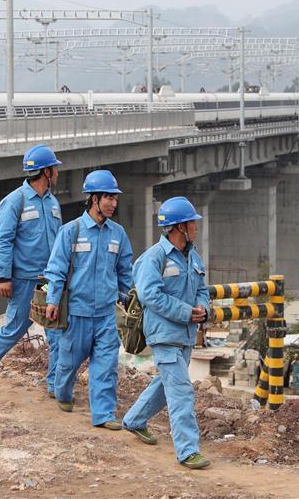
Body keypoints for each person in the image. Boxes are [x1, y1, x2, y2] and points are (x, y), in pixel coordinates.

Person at [121, 196, 212, 470]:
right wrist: (186, 312)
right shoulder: (153, 258)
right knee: (182, 391)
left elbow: (202, 290)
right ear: (179, 227)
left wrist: (203, 308)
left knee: (166, 383)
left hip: (185, 335)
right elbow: (150, 295)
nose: (196, 226)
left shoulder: (193, 257)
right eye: (192, 222)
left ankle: (134, 420)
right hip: (163, 335)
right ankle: (187, 451)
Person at [44, 170, 133, 429]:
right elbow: (56, 269)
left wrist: (128, 300)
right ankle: (62, 391)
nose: (113, 203)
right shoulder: (71, 231)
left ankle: (103, 414)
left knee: (106, 365)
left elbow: (125, 271)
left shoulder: (118, 234)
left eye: (115, 198)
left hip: (106, 314)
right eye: (109, 198)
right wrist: (52, 301)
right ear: (94, 199)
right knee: (69, 362)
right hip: (76, 312)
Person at [0, 144, 63, 394]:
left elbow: (60, 241)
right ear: (46, 172)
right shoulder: (15, 200)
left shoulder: (53, 203)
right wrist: (4, 277)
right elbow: (3, 241)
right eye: (54, 168)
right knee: (15, 328)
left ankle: (55, 385)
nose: (57, 172)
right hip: (24, 280)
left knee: (56, 333)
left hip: (49, 281)